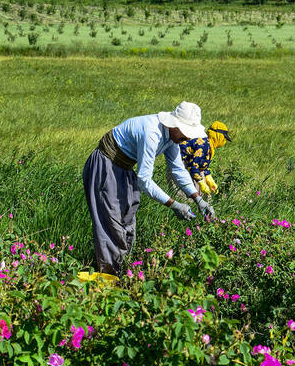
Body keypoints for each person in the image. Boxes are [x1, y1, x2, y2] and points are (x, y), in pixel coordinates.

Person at [82, 101, 215, 276]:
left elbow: (177, 169)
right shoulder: (152, 133)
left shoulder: (172, 138)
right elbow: (144, 180)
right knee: (111, 223)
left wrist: (198, 199)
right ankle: (108, 277)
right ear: (174, 125)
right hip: (106, 165)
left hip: (124, 168)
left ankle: (120, 272)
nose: (187, 139)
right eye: (185, 134)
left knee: (127, 220)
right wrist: (174, 205)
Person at [178, 121, 233, 195]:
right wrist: (201, 183)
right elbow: (193, 165)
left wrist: (209, 179)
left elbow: (201, 163)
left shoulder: (208, 144)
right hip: (179, 166)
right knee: (183, 196)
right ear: (218, 136)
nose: (224, 141)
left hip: (187, 166)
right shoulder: (203, 146)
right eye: (224, 138)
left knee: (199, 195)